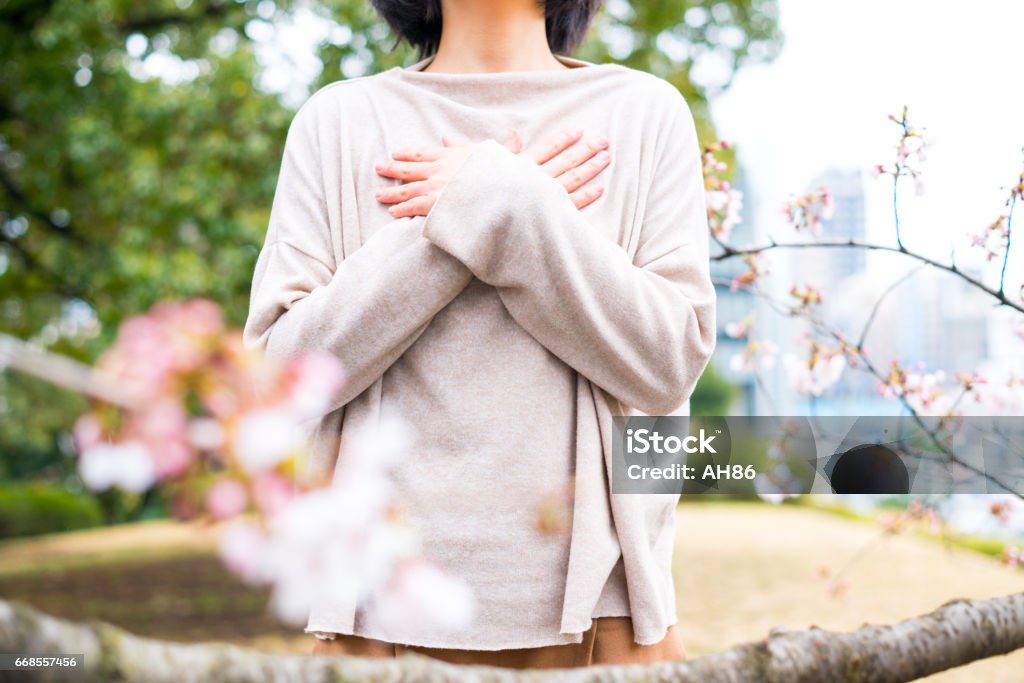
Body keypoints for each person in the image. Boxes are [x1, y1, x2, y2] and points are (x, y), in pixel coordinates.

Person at [242, 0, 717, 669]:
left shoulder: (643, 113)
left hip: (605, 619)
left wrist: (507, 201)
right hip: (375, 617)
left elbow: (669, 361)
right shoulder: (339, 121)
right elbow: (277, 381)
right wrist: (488, 206)